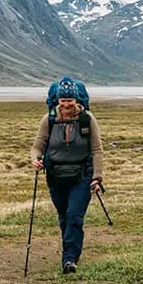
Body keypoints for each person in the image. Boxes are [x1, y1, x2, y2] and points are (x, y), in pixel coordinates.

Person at [30, 90, 105, 274]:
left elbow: (97, 149)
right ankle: (70, 249)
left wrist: (97, 176)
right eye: (63, 100)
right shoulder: (49, 119)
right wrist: (35, 160)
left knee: (74, 215)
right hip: (55, 176)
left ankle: (70, 259)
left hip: (82, 175)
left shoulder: (87, 119)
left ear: (76, 100)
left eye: (70, 100)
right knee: (64, 216)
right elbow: (37, 147)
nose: (66, 105)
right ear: (58, 100)